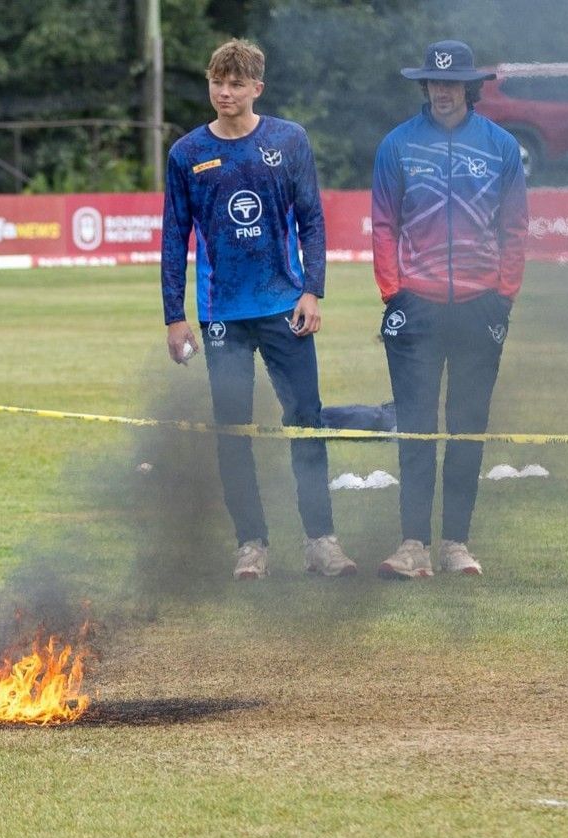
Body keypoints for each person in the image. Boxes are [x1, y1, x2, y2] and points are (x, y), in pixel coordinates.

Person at [160, 39, 356, 580]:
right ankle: (251, 544)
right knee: (233, 430)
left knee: (306, 422)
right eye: (217, 82)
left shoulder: (289, 141)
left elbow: (313, 219)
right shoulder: (186, 154)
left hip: (283, 306)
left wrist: (312, 289)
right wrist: (174, 317)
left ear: (256, 89)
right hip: (222, 313)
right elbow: (174, 239)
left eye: (236, 84)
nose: (225, 93)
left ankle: (321, 542)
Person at [370, 40, 527, 578]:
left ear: (469, 88)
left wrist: (504, 294)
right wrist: (394, 291)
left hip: (481, 304)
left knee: (466, 428)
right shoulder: (397, 145)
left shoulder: (502, 147)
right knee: (415, 429)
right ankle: (412, 544)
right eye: (434, 82)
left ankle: (455, 542)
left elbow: (515, 228)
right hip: (416, 304)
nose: (442, 91)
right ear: (425, 86)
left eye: (452, 83)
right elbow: (384, 224)